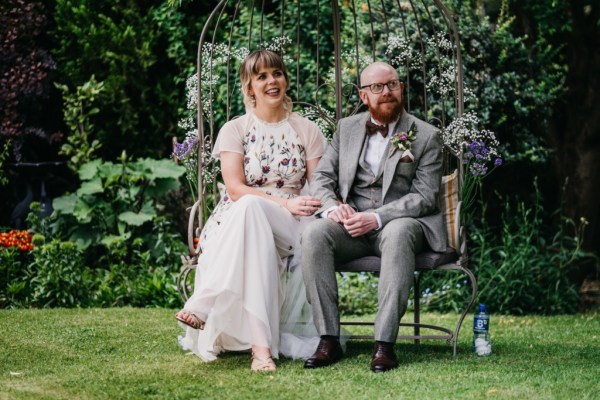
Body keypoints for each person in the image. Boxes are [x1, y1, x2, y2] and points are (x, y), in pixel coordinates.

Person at [175, 49, 326, 372]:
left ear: (285, 79)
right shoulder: (235, 129)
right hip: (242, 219)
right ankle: (261, 351)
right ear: (249, 87)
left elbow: (320, 185)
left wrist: (298, 205)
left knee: (252, 208)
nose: (272, 81)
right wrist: (280, 201)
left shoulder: (307, 130)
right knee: (250, 211)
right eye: (262, 76)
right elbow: (235, 188)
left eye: (277, 73)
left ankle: (204, 301)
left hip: (292, 221)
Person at [301, 61, 446, 372]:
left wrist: (377, 217)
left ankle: (384, 344)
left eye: (392, 84)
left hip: (398, 225)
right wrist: (332, 208)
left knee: (398, 232)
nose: (386, 92)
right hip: (350, 228)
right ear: (363, 95)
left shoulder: (427, 135)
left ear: (401, 88)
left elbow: (425, 196)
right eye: (377, 87)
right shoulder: (346, 128)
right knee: (314, 233)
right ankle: (328, 338)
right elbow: (322, 177)